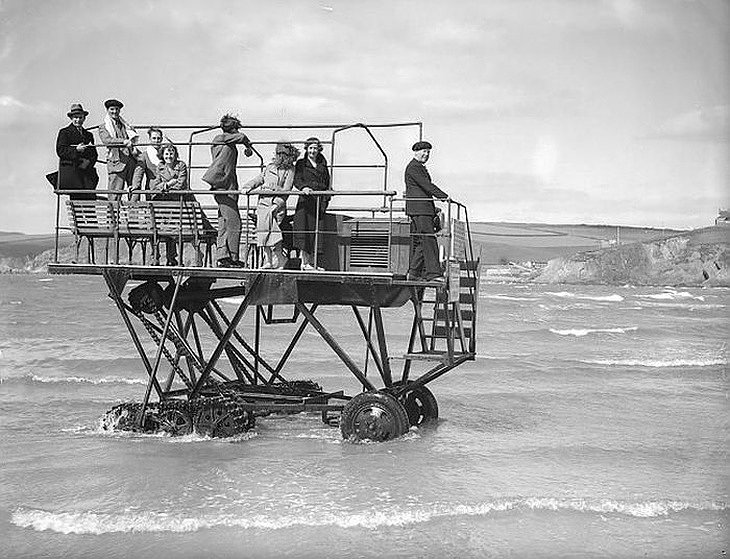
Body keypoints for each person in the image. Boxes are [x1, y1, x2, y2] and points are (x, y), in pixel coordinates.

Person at [202, 114, 254, 268]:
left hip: (228, 185)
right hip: (222, 185)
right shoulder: (220, 138)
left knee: (224, 222)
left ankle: (224, 257)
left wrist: (246, 146)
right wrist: (247, 144)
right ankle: (231, 257)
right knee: (234, 222)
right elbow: (241, 137)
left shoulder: (227, 142)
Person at [244, 142, 298, 269]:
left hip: (276, 206)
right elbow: (259, 179)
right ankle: (268, 260)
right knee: (263, 232)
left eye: (283, 154)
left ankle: (280, 258)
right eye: (278, 153)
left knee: (274, 233)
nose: (280, 156)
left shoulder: (290, 170)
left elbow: (287, 190)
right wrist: (248, 186)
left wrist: (277, 204)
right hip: (263, 203)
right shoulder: (269, 167)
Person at [404, 140, 448, 282]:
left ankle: (414, 272)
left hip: (422, 209)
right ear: (416, 152)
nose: (426, 154)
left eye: (428, 152)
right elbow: (426, 185)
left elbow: (422, 189)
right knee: (428, 239)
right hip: (420, 210)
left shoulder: (418, 167)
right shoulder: (414, 167)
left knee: (423, 242)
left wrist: (434, 207)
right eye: (424, 151)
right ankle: (433, 274)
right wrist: (444, 196)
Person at [293, 137, 331, 270]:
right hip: (306, 201)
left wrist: (328, 194)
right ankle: (304, 263)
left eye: (315, 148)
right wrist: (303, 188)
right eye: (310, 148)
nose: (313, 151)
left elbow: (327, 181)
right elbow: (297, 179)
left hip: (319, 202)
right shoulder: (301, 163)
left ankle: (313, 263)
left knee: (317, 232)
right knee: (305, 231)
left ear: (319, 149)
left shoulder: (323, 164)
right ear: (306, 149)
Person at [150, 143, 190, 266]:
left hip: (176, 203)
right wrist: (168, 184)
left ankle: (172, 258)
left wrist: (167, 186)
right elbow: (155, 186)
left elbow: (181, 184)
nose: (169, 156)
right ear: (162, 155)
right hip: (162, 203)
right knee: (157, 229)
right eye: (167, 153)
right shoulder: (160, 166)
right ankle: (156, 257)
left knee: (173, 231)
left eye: (171, 153)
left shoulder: (181, 165)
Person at [98, 99, 140, 201]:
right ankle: (112, 217)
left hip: (130, 161)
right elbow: (107, 140)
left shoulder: (125, 125)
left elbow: (132, 138)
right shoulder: (103, 127)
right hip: (117, 163)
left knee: (134, 192)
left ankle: (133, 216)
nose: (114, 112)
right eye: (112, 109)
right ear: (107, 110)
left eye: (117, 109)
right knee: (115, 193)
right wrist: (123, 141)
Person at [54, 103, 98, 200]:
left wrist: (88, 162)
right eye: (75, 117)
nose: (78, 120)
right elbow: (60, 150)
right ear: (71, 118)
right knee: (76, 202)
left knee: (90, 202)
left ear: (84, 118)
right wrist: (76, 150)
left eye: (80, 117)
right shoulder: (64, 132)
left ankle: (90, 215)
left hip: (87, 174)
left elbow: (94, 154)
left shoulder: (88, 135)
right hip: (73, 174)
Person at [131, 127, 166, 201]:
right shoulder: (144, 156)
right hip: (153, 190)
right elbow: (138, 174)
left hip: (167, 190)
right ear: (150, 139)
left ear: (161, 139)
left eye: (158, 138)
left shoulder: (166, 154)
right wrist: (135, 189)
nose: (156, 141)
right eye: (154, 138)